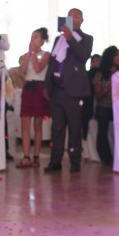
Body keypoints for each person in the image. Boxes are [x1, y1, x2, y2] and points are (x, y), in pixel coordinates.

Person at [44, 9, 94, 173]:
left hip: (74, 92)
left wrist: (70, 37)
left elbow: (83, 56)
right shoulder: (59, 39)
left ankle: (75, 163)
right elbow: (52, 63)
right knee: (57, 129)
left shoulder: (86, 39)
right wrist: (47, 85)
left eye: (76, 16)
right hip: (57, 90)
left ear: (82, 20)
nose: (73, 18)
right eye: (70, 16)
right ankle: (55, 161)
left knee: (74, 129)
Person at [16, 28, 50, 168]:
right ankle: (26, 156)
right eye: (32, 37)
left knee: (37, 124)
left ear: (42, 41)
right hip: (28, 87)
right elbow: (23, 71)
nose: (33, 40)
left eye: (36, 37)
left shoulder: (46, 54)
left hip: (40, 88)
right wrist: (29, 54)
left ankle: (36, 156)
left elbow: (38, 69)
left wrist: (34, 54)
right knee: (25, 122)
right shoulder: (26, 55)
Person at [91, 46, 119, 166]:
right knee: (103, 117)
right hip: (105, 106)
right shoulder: (100, 74)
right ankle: (106, 156)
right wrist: (112, 79)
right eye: (116, 55)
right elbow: (99, 96)